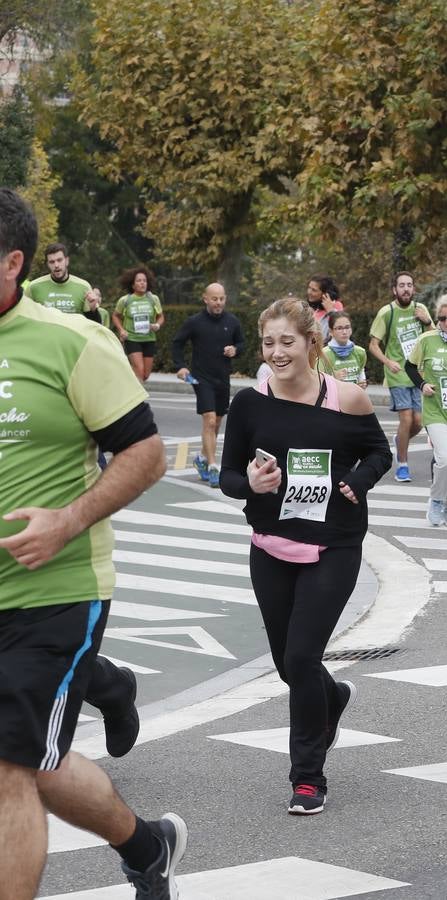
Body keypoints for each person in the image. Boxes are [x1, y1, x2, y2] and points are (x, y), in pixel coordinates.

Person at [0, 188, 185, 899]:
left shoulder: (73, 341)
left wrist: (67, 521)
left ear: (15, 262)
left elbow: (145, 455)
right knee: (39, 764)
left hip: (57, 588)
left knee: (9, 766)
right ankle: (147, 845)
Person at [219, 297, 392, 815]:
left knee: (301, 658)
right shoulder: (249, 405)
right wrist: (249, 483)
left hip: (333, 546)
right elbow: (228, 475)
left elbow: (378, 451)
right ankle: (332, 699)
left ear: (311, 343)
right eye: (268, 342)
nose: (276, 352)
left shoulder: (349, 399)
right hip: (270, 546)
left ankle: (308, 777)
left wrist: (357, 482)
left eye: (286, 342)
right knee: (288, 665)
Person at [406, 295, 447, 526]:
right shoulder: (427, 339)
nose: (445, 322)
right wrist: (422, 385)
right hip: (436, 410)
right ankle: (436, 501)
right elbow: (410, 366)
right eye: (441, 318)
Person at [172, 282, 246, 488]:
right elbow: (177, 343)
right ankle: (214, 467)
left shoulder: (232, 321)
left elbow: (242, 344)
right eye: (214, 299)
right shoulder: (194, 322)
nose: (218, 303)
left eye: (222, 298)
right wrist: (180, 367)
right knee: (210, 421)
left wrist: (235, 350)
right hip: (201, 378)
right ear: (205, 299)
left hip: (222, 378)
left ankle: (202, 459)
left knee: (217, 422)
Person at [369, 271, 432, 483]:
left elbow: (433, 337)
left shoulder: (420, 310)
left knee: (419, 421)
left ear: (414, 288)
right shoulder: (386, 312)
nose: (406, 289)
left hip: (417, 373)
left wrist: (428, 321)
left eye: (409, 285)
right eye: (402, 285)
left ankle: (399, 440)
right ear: (394, 289)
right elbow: (373, 345)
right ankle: (403, 465)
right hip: (397, 374)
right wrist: (388, 362)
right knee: (406, 418)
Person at [112, 266, 164, 383]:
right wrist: (121, 330)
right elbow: (115, 316)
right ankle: (138, 400)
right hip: (132, 339)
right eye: (139, 281)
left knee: (145, 375)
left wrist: (157, 325)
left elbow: (161, 316)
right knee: (139, 371)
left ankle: (126, 376)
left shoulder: (153, 299)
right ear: (133, 284)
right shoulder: (125, 300)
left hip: (149, 338)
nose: (142, 283)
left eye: (144, 281)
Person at [23, 243, 94, 315]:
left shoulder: (83, 287)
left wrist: (93, 310)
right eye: (51, 262)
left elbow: (94, 324)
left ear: (67, 261)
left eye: (59, 260)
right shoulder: (34, 287)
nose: (56, 265)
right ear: (47, 264)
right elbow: (24, 317)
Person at [317, 311, 369, 388]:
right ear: (331, 332)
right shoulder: (324, 354)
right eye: (339, 328)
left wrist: (362, 383)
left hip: (354, 398)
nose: (344, 332)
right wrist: (332, 378)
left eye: (347, 327)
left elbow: (361, 371)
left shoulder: (360, 352)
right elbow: (317, 382)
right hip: (334, 399)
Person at [305, 275, 344, 343]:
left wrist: (331, 311)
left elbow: (341, 328)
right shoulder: (310, 308)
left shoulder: (336, 306)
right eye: (309, 288)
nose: (309, 292)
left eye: (314, 290)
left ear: (325, 294)